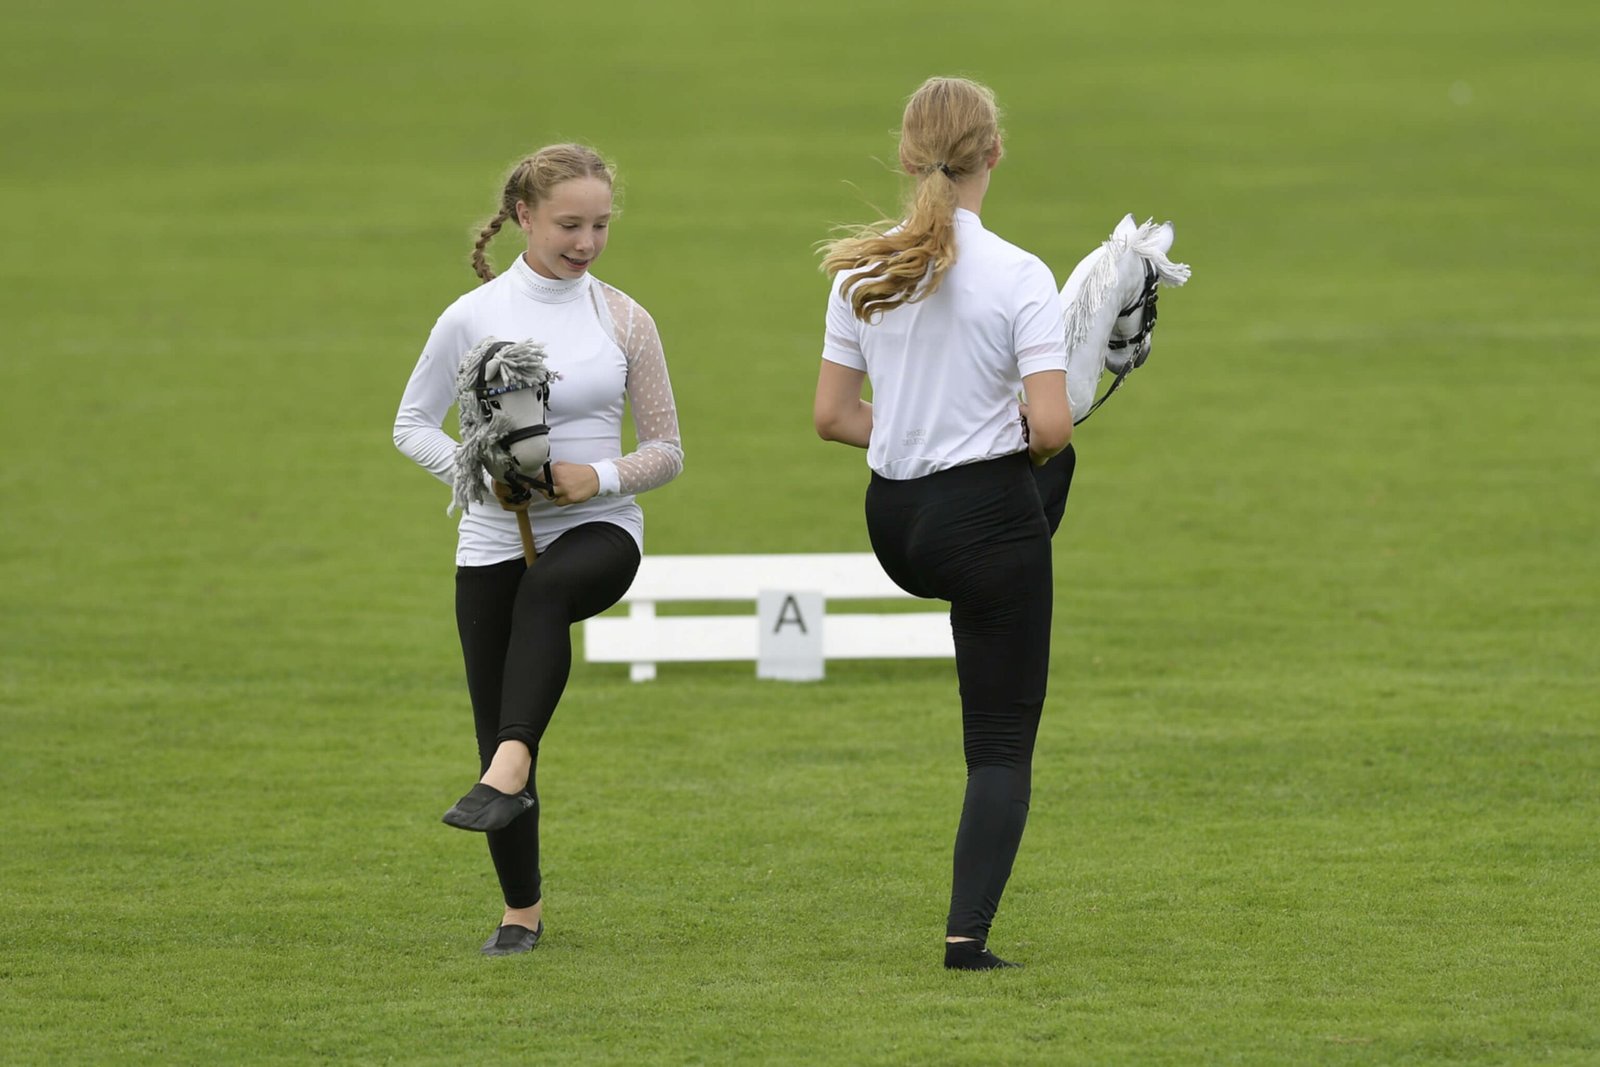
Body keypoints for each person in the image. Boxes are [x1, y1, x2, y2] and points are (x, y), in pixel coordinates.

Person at [394, 144, 683, 956]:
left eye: (600, 225)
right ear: (524, 216)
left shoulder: (625, 318)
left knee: (546, 592)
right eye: (569, 225)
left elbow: (666, 449)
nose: (587, 242)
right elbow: (410, 423)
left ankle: (511, 762)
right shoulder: (471, 317)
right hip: (493, 535)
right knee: (494, 728)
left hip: (601, 528)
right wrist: (477, 474)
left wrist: (597, 476)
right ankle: (521, 911)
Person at [813, 77, 1076, 971]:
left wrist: (919, 430)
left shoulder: (861, 269)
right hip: (984, 528)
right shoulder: (1020, 274)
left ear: (905, 153)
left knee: (1029, 498)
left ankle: (1012, 562)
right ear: (994, 153)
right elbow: (1050, 428)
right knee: (999, 745)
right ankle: (967, 939)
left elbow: (833, 417)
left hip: (896, 526)